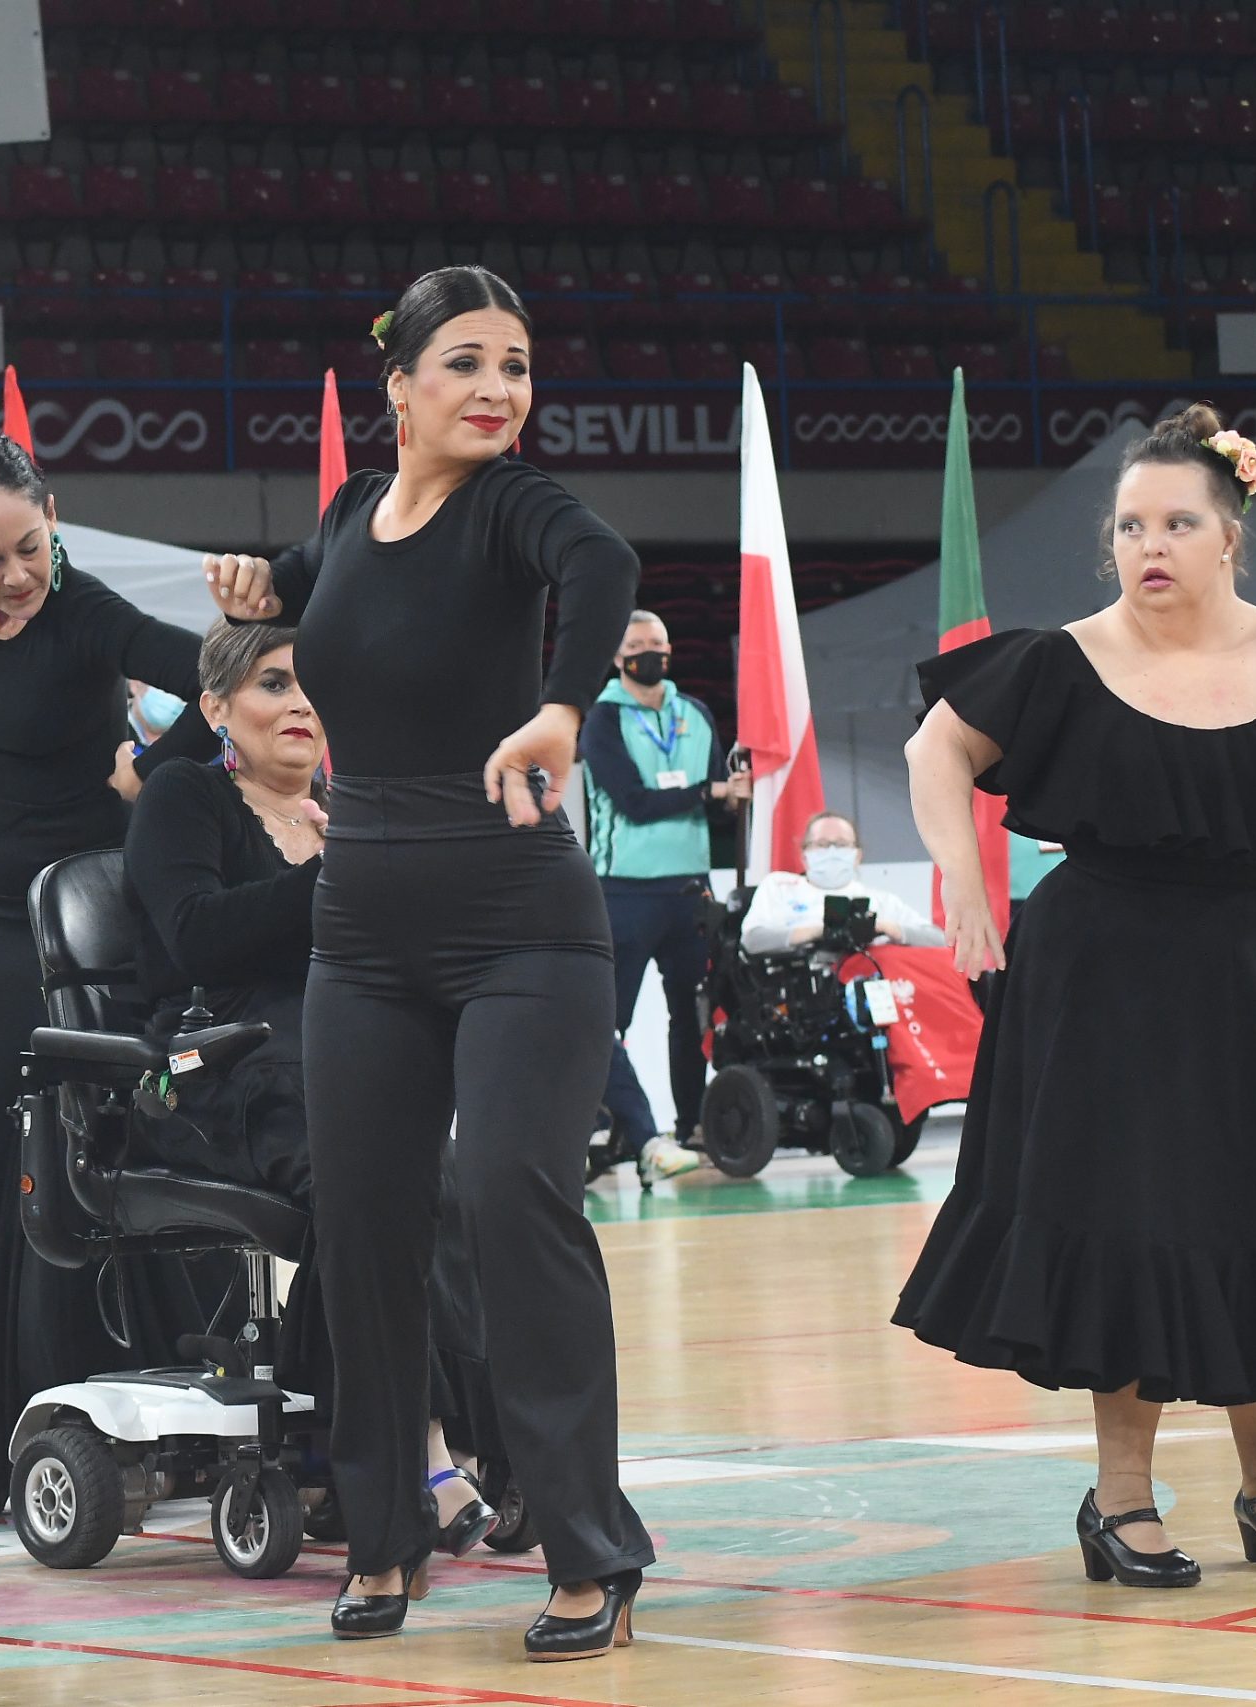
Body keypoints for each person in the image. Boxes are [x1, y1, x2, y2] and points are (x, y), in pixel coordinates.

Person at [204, 265, 650, 1659]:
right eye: (466, 362)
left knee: (517, 1204)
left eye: (516, 365)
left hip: (521, 907)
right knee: (367, 1231)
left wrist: (565, 708)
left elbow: (606, 570)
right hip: (366, 924)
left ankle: (589, 1544)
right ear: (397, 386)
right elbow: (323, 591)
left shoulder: (521, 509)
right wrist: (257, 580)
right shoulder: (346, 513)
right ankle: (384, 1528)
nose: (497, 389)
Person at [895, 404, 1256, 1590]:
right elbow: (937, 750)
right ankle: (1120, 1500)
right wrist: (967, 888)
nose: (1150, 544)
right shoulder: (1058, 656)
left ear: (1229, 535)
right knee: (1119, 1218)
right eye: (1130, 525)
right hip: (1098, 973)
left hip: (1251, 967)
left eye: (1178, 521)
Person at [0, 432, 217, 1521]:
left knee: (96, 1161)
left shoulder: (91, 614)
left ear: (53, 515)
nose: (15, 574)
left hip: (93, 916)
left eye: (29, 545)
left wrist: (147, 771)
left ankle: (148, 1402)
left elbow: (217, 672)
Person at [122, 618, 500, 1555]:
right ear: (215, 707)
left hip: (348, 1046)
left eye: (311, 687)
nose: (301, 704)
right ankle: (427, 1452)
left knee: (459, 1182)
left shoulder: (348, 802)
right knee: (376, 1187)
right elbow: (197, 937)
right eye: (273, 685)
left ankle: (422, 1439)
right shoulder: (184, 797)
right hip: (217, 1063)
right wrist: (338, 872)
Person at [582, 609, 745, 1182]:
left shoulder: (695, 714)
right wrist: (708, 791)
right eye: (638, 644)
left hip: (690, 889)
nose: (652, 652)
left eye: (660, 642)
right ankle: (602, 1126)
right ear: (616, 655)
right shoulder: (601, 720)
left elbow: (717, 796)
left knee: (692, 1015)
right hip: (624, 890)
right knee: (608, 1019)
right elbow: (633, 801)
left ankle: (691, 1123)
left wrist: (729, 794)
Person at [738, 811, 947, 956]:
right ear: (804, 855)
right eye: (822, 844)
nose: (831, 851)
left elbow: (938, 939)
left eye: (841, 844)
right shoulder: (779, 886)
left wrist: (885, 928)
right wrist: (821, 932)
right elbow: (752, 940)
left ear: (857, 856)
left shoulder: (880, 901)